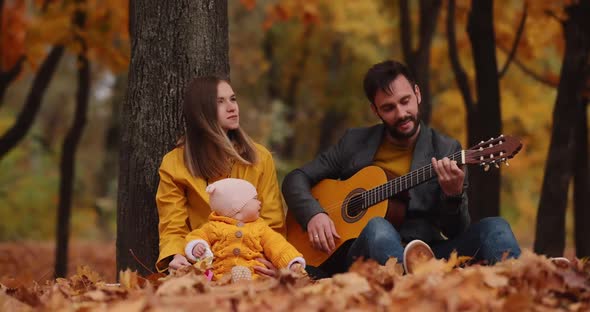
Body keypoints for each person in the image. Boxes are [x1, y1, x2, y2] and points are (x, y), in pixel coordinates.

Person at [282, 60, 521, 277]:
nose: (401, 113)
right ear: (375, 111)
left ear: (417, 94)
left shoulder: (446, 148)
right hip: (364, 253)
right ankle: (415, 291)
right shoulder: (354, 142)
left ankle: (530, 287)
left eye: (405, 101)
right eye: (388, 108)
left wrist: (453, 195)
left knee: (495, 227)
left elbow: (457, 230)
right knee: (377, 228)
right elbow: (296, 178)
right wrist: (314, 213)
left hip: (427, 253)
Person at [156, 76, 285, 274]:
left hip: (251, 265)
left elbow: (272, 221)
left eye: (233, 99)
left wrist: (274, 260)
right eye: (220, 102)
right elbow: (172, 226)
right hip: (201, 266)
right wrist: (176, 255)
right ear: (201, 113)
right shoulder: (174, 163)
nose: (232, 107)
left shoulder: (260, 158)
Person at [185, 178, 305, 282]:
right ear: (237, 207)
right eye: (254, 198)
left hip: (254, 278)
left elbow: (278, 246)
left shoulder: (261, 228)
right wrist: (197, 245)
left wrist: (292, 262)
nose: (259, 202)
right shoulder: (213, 226)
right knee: (200, 276)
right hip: (216, 279)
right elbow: (197, 235)